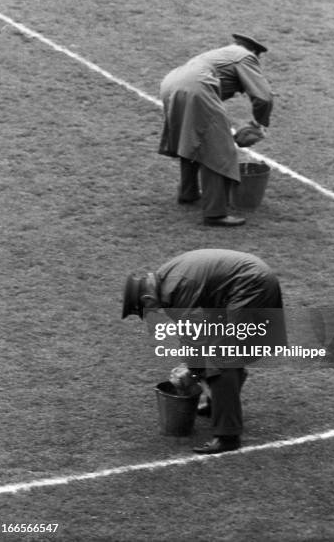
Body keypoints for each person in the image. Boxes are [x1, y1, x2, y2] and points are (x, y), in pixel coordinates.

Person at [121, 249, 287, 454]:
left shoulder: (176, 289)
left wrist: (190, 372)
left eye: (145, 311)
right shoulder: (165, 283)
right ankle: (215, 403)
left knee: (222, 358)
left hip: (250, 285)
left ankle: (228, 436)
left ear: (147, 297)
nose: (152, 314)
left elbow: (196, 339)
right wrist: (193, 368)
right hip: (242, 284)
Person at [159, 34, 274, 227]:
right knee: (220, 149)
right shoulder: (246, 56)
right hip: (196, 88)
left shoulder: (219, 54)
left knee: (192, 139)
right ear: (255, 52)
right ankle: (215, 213)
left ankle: (188, 193)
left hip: (170, 84)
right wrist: (259, 124)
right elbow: (264, 97)